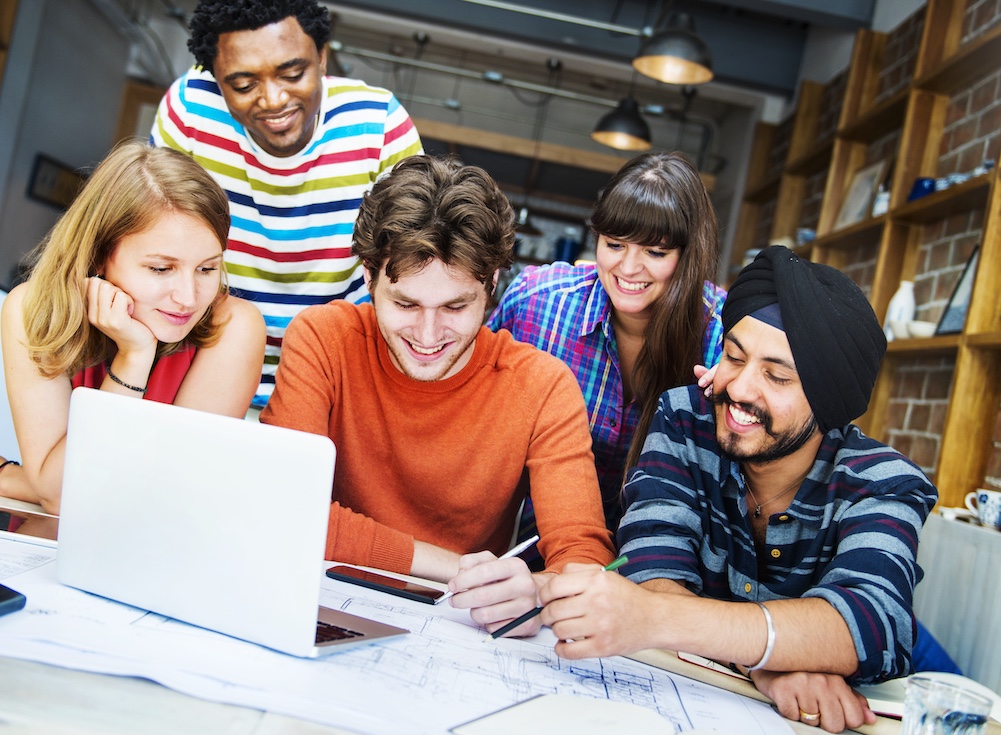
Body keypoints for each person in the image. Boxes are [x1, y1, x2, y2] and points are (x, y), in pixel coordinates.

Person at [539, 246, 938, 733]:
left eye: (777, 376)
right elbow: (652, 577)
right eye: (733, 356)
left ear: (829, 405)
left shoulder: (882, 480)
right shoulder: (686, 420)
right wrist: (768, 663)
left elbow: (872, 623)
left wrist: (673, 621)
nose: (740, 389)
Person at [261, 155, 615, 634]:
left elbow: (582, 559)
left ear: (491, 284)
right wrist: (461, 569)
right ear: (368, 277)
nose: (428, 335)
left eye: (455, 306)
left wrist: (536, 590)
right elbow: (283, 508)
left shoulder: (542, 386)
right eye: (405, 303)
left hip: (457, 630)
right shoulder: (324, 339)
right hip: (316, 606)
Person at [150, 0, 423, 406]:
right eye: (243, 86)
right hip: (203, 369)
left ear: (323, 57)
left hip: (334, 379)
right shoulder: (189, 110)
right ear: (215, 79)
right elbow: (153, 240)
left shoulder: (379, 124)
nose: (274, 99)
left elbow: (408, 267)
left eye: (293, 74)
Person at [0, 140, 266, 536]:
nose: (189, 298)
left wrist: (17, 480)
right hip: (46, 541)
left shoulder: (236, 326)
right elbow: (61, 495)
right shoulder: (31, 310)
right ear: (100, 255)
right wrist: (134, 358)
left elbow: (160, 498)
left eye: (207, 268)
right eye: (161, 268)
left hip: (154, 548)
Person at [488, 151, 726, 534]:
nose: (628, 269)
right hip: (534, 550)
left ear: (688, 256)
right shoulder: (538, 302)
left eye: (655, 251)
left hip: (662, 562)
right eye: (614, 244)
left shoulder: (723, 337)